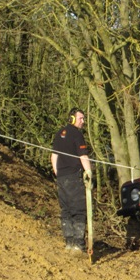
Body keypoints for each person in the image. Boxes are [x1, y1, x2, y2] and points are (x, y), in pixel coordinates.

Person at [51, 108, 92, 253]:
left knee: (66, 210)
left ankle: (69, 243)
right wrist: (89, 172)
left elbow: (54, 156)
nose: (83, 121)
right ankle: (78, 245)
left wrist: (58, 174)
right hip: (73, 176)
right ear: (72, 119)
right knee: (79, 210)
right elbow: (83, 156)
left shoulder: (59, 133)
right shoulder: (77, 134)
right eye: (81, 118)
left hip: (61, 177)